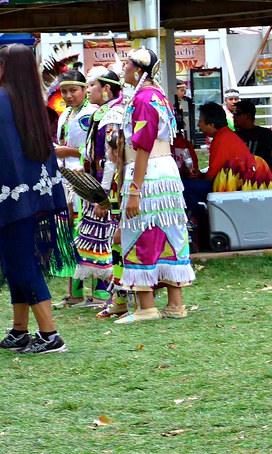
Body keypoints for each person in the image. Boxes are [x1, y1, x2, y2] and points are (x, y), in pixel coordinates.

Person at [0, 44, 74, 354]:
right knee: (17, 261)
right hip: (34, 195)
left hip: (11, 197)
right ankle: (20, 330)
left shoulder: (3, 100)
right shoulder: (31, 103)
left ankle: (50, 334)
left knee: (21, 263)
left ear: (7, 68)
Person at [115, 47, 195, 323]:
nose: (123, 69)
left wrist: (135, 190)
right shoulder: (157, 96)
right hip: (164, 172)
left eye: (126, 65)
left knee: (141, 229)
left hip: (147, 174)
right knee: (167, 230)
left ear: (138, 70)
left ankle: (146, 306)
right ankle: (175, 304)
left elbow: (143, 147)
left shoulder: (144, 99)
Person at [70, 67, 127, 315]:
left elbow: (112, 159)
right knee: (104, 240)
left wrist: (102, 195)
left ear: (106, 88)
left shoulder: (113, 115)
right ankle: (115, 297)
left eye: (91, 85)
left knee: (111, 241)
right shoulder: (103, 113)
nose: (88, 89)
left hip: (110, 188)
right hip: (101, 185)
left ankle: (115, 296)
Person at [53, 69, 99, 307]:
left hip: (87, 179)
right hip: (66, 179)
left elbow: (97, 151)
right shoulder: (65, 115)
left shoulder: (94, 114)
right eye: (64, 91)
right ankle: (75, 294)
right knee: (71, 233)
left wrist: (69, 152)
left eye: (73, 90)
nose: (69, 96)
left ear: (85, 90)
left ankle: (101, 294)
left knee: (92, 232)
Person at [233, 100, 272, 165]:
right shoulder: (233, 136)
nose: (234, 116)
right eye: (234, 113)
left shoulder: (266, 135)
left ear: (248, 116)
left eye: (237, 114)